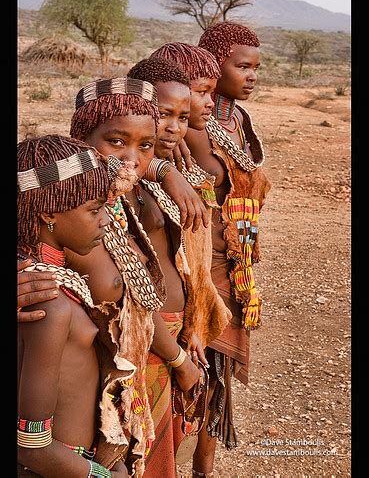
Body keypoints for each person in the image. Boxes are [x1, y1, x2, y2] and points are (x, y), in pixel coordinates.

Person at [152, 30, 272, 477]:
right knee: (194, 374)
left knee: (213, 379)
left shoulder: (234, 121)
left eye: (256, 68)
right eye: (242, 66)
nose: (251, 76)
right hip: (197, 267)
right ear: (213, 64)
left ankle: (202, 467)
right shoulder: (183, 131)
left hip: (227, 261)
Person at [125, 57, 231, 477]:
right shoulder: (114, 184)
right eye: (162, 115)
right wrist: (177, 357)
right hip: (147, 341)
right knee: (138, 451)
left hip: (174, 332)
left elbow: (183, 261)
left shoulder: (167, 172)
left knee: (163, 449)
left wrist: (192, 329)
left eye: (181, 117)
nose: (173, 127)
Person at [17, 134, 128, 477]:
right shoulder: (47, 303)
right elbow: (31, 445)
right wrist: (103, 475)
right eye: (94, 210)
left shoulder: (50, 281)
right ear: (49, 213)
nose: (107, 220)